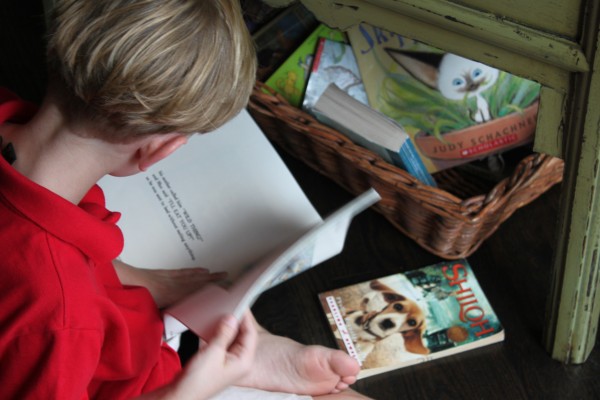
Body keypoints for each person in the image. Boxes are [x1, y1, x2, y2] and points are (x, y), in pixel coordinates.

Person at [0, 0, 370, 399]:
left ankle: (231, 349)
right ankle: (216, 363)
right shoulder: (60, 320)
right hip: (132, 379)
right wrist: (185, 393)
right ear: (158, 151)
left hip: (113, 326)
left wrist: (140, 280)